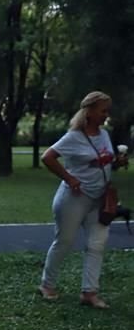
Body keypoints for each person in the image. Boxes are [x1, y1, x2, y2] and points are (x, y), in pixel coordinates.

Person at [38, 91, 127, 309]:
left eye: (107, 110)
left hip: (100, 198)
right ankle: (46, 285)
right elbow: (47, 157)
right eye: (103, 110)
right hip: (74, 198)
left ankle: (89, 292)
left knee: (97, 244)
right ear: (89, 111)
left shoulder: (104, 135)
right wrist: (69, 178)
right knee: (65, 242)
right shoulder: (74, 137)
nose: (106, 115)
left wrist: (117, 162)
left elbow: (103, 162)